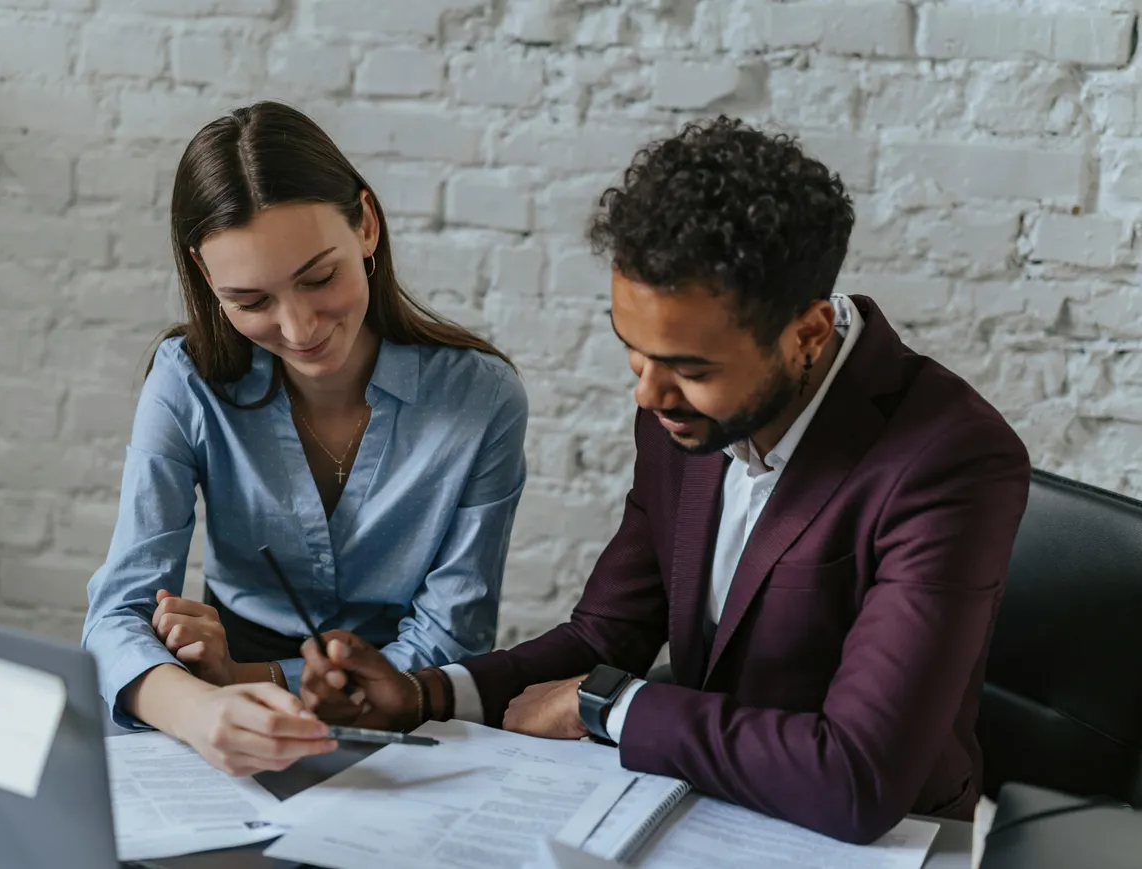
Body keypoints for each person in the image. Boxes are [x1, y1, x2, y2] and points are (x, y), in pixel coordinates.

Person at [289, 117, 1033, 843]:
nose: (648, 393)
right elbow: (608, 631)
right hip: (697, 811)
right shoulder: (681, 412)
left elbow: (857, 774)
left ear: (807, 333)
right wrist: (425, 695)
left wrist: (609, 707)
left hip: (882, 841)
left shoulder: (952, 459)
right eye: (634, 353)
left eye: (689, 369)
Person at [80, 101, 529, 776]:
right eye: (251, 301)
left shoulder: (481, 397)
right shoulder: (186, 382)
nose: (297, 327)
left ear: (367, 226)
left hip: (403, 720)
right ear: (207, 277)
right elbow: (117, 614)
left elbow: (450, 640)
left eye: (319, 278)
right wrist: (199, 707)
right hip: (223, 726)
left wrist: (246, 675)